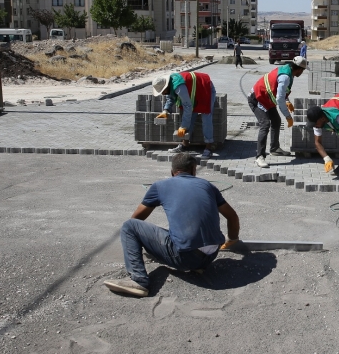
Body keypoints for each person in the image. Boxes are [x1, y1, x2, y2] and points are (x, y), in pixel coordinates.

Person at [104, 153, 240, 297]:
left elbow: (136, 219)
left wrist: (137, 244)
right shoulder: (208, 186)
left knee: (129, 226)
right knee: (179, 233)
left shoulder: (160, 186)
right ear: (194, 170)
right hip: (212, 255)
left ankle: (139, 281)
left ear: (172, 172)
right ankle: (198, 266)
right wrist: (232, 239)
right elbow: (232, 216)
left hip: (185, 258)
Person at [248, 56, 307, 168]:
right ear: (299, 69)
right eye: (303, 70)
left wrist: (287, 101)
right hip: (257, 99)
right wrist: (288, 116)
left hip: (266, 99)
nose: (302, 73)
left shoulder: (289, 71)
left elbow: (282, 92)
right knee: (265, 124)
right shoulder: (285, 76)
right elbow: (280, 99)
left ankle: (274, 149)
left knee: (276, 121)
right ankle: (259, 157)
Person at [152, 71, 216, 157]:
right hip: (194, 91)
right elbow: (170, 97)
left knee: (206, 115)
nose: (162, 94)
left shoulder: (178, 86)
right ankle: (185, 144)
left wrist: (183, 126)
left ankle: (209, 146)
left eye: (162, 91)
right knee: (191, 115)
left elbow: (188, 106)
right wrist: (165, 110)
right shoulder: (169, 84)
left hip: (205, 88)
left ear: (166, 86)